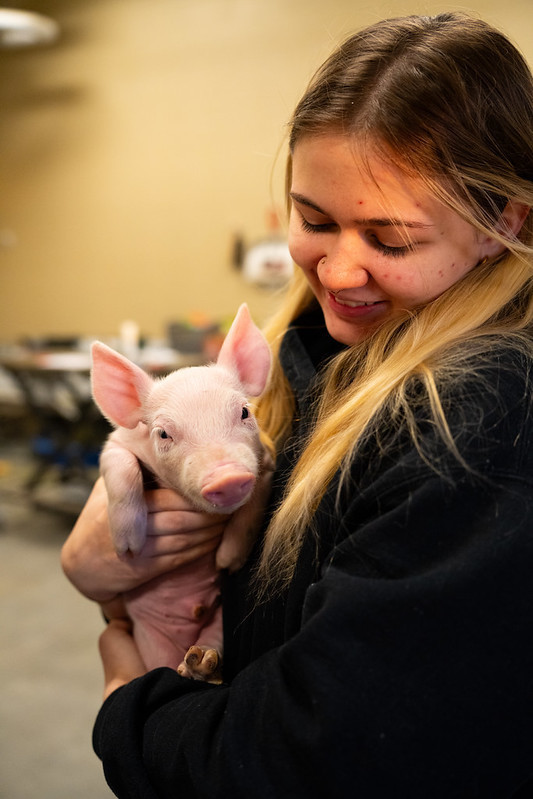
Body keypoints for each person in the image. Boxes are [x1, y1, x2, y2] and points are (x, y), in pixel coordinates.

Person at [61, 12, 533, 797]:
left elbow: (318, 752)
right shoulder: (313, 349)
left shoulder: (483, 422)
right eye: (314, 221)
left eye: (390, 240)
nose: (338, 272)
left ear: (502, 222)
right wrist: (95, 558)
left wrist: (129, 711)